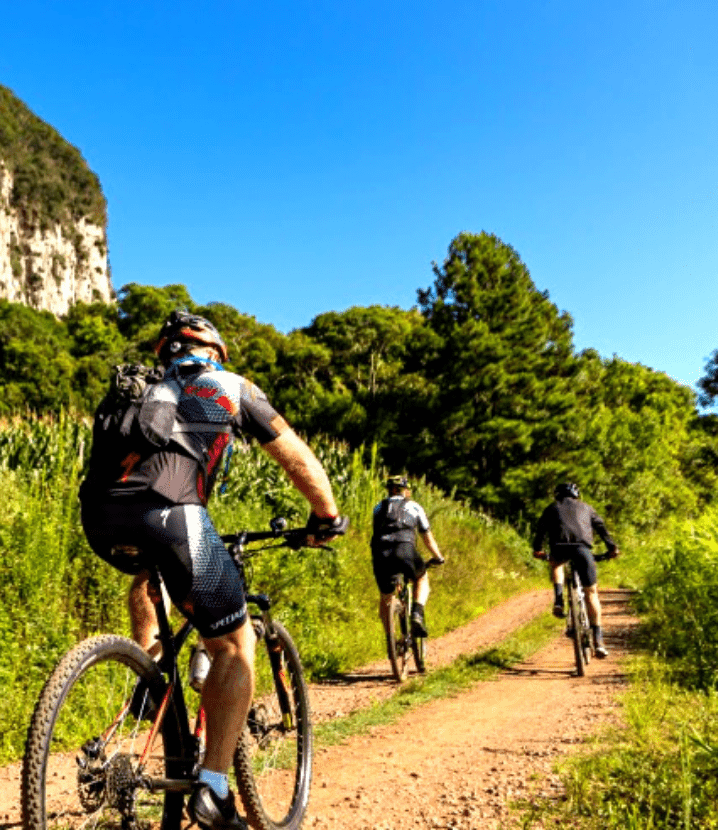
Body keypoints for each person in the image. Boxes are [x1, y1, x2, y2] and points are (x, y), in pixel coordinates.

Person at [79, 309, 348, 830]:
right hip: (174, 514)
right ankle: (214, 789)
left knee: (150, 575)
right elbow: (295, 457)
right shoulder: (226, 385)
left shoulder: (135, 388)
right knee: (234, 644)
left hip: (100, 518)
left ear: (164, 352)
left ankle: (150, 674)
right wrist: (327, 515)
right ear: (216, 352)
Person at [532, 482, 619, 658]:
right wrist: (611, 548)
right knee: (591, 593)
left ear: (557, 495)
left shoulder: (551, 508)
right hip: (582, 549)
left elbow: (540, 529)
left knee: (557, 564)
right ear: (576, 495)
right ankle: (598, 640)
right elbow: (601, 528)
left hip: (559, 548)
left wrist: (537, 549)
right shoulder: (587, 508)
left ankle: (558, 599)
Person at [371, 475, 445, 641]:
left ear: (389, 491)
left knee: (386, 597)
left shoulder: (378, 508)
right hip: (405, 549)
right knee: (421, 578)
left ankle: (390, 639)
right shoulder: (414, 507)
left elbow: (376, 534)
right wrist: (438, 557)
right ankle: (417, 614)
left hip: (381, 553)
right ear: (406, 490)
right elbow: (427, 537)